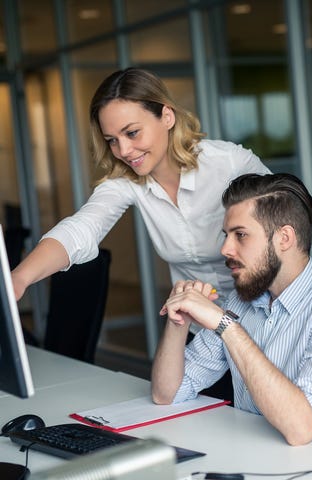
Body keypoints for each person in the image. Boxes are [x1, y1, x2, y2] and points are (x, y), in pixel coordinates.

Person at [10, 68, 270, 306]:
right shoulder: (125, 181)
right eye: (112, 140)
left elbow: (288, 220)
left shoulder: (230, 162)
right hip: (198, 325)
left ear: (167, 116)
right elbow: (80, 229)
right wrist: (19, 278)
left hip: (263, 314)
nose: (123, 150)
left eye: (132, 133)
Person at [151, 172, 312, 446]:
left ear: (284, 238)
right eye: (226, 235)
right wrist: (178, 321)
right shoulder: (239, 301)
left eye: (240, 235)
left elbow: (302, 429)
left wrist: (225, 326)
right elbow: (166, 394)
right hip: (248, 457)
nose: (225, 249)